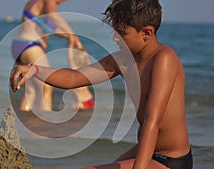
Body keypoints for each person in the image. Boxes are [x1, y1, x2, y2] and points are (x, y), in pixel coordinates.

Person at [10, 0, 192, 168]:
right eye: (114, 32)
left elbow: (152, 121)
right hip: (148, 152)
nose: (115, 39)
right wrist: (34, 70)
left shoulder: (164, 59)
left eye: (122, 33)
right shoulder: (123, 60)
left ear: (146, 33)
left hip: (171, 160)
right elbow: (74, 78)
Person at [12, 0, 94, 111]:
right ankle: (45, 124)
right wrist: (73, 35)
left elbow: (53, 29)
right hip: (32, 46)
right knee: (47, 86)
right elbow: (55, 17)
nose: (62, 2)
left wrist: (70, 38)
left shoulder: (34, 4)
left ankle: (22, 121)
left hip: (18, 46)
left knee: (32, 90)